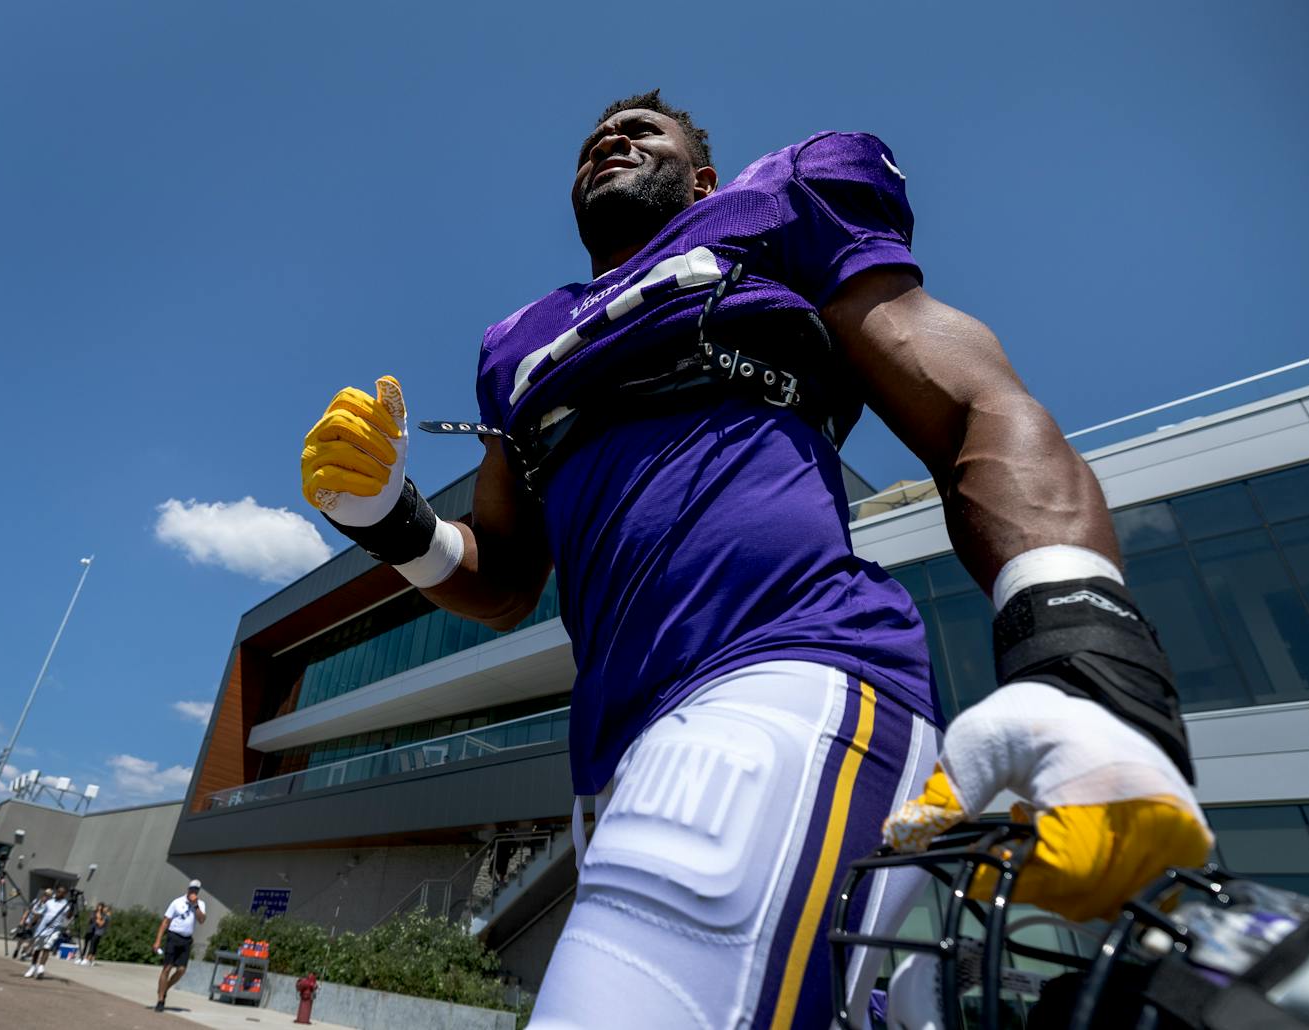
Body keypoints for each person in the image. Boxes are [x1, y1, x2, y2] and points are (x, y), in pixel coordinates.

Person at [300, 91, 1210, 1027]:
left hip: (786, 671)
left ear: (703, 176)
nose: (610, 139)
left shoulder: (772, 212)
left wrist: (1085, 658)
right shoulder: (514, 342)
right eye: (593, 140)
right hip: (613, 758)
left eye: (641, 131)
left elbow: (975, 404)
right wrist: (390, 521)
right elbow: (504, 580)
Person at [152, 879, 205, 1012]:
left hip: (186, 939)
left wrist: (196, 906)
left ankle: (164, 989)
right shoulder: (177, 902)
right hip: (173, 937)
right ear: (188, 890)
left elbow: (202, 920)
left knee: (181, 970)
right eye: (192, 889)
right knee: (167, 968)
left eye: (196, 890)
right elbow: (165, 922)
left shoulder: (200, 904)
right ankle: (160, 1000)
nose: (194, 892)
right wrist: (158, 941)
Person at [24, 883, 72, 979]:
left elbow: (68, 916)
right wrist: (30, 924)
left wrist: (72, 906)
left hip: (54, 929)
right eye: (58, 891)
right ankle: (33, 967)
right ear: (56, 891)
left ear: (65, 894)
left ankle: (41, 967)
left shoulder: (65, 904)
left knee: (47, 947)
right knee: (37, 949)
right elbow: (39, 913)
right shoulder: (49, 902)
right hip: (42, 928)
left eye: (62, 893)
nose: (59, 894)